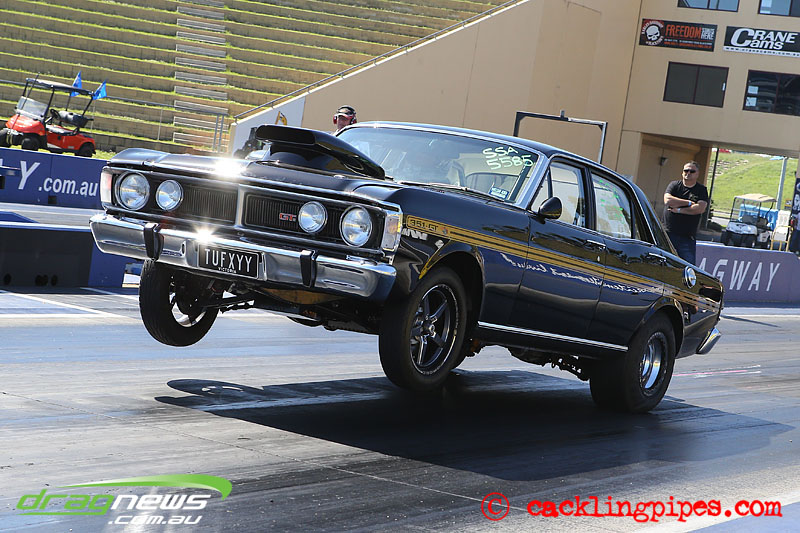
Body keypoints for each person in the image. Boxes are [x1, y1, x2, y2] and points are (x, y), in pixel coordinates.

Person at [663, 160, 709, 265]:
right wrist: (688, 203)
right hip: (668, 233)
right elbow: (668, 201)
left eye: (692, 171)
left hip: (686, 237)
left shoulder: (701, 190)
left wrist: (679, 210)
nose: (688, 173)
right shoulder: (674, 185)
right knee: (663, 264)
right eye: (686, 170)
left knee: (688, 267)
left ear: (697, 174)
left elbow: (700, 208)